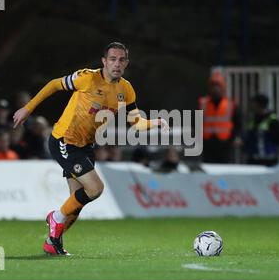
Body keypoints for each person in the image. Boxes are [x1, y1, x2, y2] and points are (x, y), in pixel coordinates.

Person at [13, 42, 170, 256]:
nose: (117, 63)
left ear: (126, 63)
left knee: (75, 205)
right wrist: (28, 108)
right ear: (104, 61)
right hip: (64, 140)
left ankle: (53, 242)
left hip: (86, 145)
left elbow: (136, 122)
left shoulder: (126, 89)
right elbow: (54, 85)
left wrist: (155, 122)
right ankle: (55, 218)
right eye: (112, 59)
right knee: (95, 189)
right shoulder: (87, 77)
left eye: (121, 59)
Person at [199, 70, 242, 163]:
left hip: (225, 144)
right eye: (213, 86)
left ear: (223, 88)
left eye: (218, 86)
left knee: (225, 171)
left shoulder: (231, 105)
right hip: (207, 144)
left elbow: (238, 124)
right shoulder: (202, 104)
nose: (215, 89)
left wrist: (236, 137)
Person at [243, 94, 279, 166]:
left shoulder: (273, 120)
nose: (251, 106)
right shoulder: (253, 119)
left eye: (253, 103)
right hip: (253, 159)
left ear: (259, 104)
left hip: (268, 160)